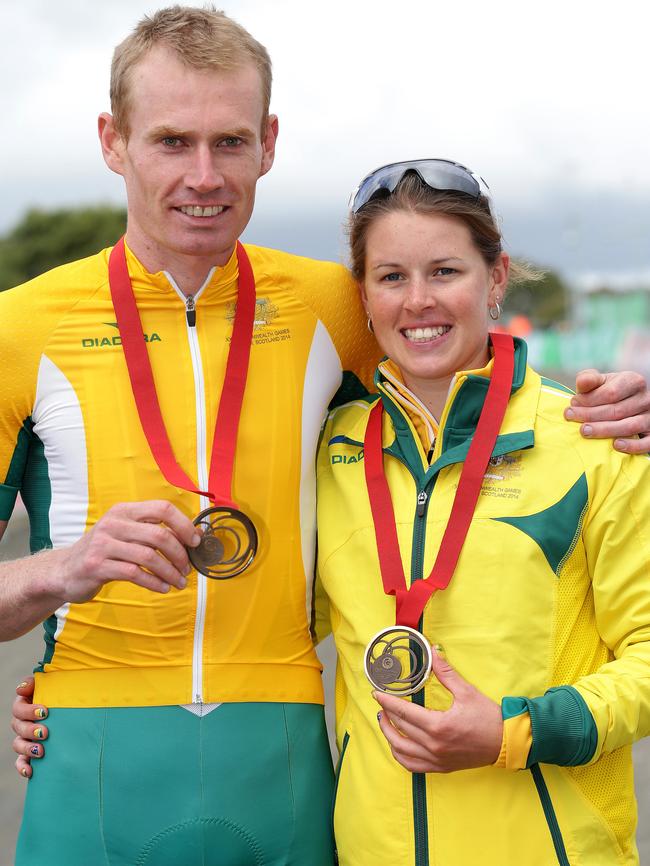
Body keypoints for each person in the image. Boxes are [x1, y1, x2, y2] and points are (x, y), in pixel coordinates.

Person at [3, 9, 649, 865]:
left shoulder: (334, 305)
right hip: (90, 755)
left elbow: (456, 364)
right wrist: (61, 571)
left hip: (289, 768)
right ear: (111, 141)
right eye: (171, 141)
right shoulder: (19, 327)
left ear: (269, 143)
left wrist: (625, 404)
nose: (204, 175)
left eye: (230, 142)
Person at [314, 159, 650, 866]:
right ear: (364, 296)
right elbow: (260, 632)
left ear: (495, 280)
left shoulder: (595, 439)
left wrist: (510, 733)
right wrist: (70, 687)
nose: (418, 302)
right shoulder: (329, 451)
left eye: (444, 271)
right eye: (391, 276)